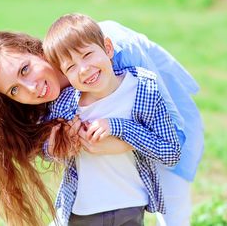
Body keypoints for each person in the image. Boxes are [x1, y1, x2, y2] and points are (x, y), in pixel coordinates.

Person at [0, 18, 203, 226]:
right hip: (103, 200)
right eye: (14, 89)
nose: (31, 87)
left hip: (170, 124)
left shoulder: (115, 60)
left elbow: (173, 141)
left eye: (25, 69)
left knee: (174, 215)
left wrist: (122, 141)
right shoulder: (53, 99)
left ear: (38, 51)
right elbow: (42, 141)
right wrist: (55, 146)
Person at [41, 13, 182, 225]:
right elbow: (46, 152)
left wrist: (120, 127)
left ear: (108, 48)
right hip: (82, 210)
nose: (83, 69)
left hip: (130, 205)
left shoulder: (142, 89)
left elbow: (171, 152)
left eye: (87, 54)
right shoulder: (66, 104)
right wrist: (62, 139)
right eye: (70, 67)